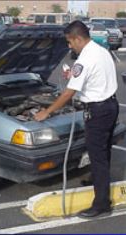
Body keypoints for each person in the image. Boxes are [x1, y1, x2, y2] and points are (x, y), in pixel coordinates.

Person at [34, 20, 119, 218]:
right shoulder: (101, 50)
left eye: (70, 42)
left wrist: (47, 112)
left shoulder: (85, 59)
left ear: (78, 38)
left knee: (97, 155)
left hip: (97, 111)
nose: (69, 46)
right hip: (110, 105)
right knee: (103, 151)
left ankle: (101, 204)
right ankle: (99, 181)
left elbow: (67, 94)